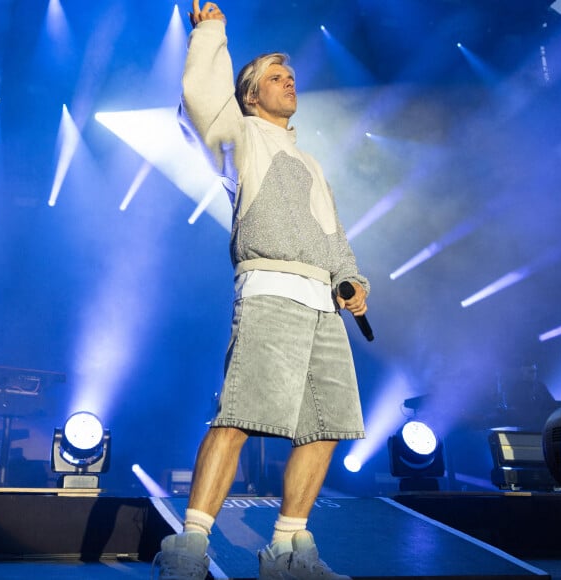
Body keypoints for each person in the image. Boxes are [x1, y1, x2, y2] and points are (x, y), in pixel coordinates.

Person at [154, 2, 371, 578]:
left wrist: (350, 280)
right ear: (251, 95)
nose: (288, 81)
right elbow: (204, 99)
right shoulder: (241, 136)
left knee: (327, 426)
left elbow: (334, 235)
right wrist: (211, 33)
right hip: (270, 291)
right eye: (275, 76)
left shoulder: (310, 161)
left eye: (290, 75)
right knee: (238, 416)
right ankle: (190, 546)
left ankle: (287, 550)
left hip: (322, 305)